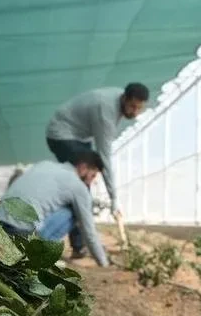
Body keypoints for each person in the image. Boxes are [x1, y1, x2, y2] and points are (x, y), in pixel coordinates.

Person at [44, 82, 150, 221]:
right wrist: (114, 198)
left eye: (139, 108)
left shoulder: (120, 97)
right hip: (61, 134)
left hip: (80, 136)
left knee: (83, 185)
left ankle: (81, 230)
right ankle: (76, 235)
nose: (135, 112)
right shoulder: (106, 112)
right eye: (132, 107)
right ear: (124, 98)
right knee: (82, 183)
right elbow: (104, 158)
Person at [0, 151, 109, 268]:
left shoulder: (44, 164)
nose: (91, 181)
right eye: (93, 175)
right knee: (73, 212)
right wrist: (103, 263)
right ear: (83, 167)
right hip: (22, 232)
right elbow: (89, 231)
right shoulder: (78, 186)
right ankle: (38, 253)